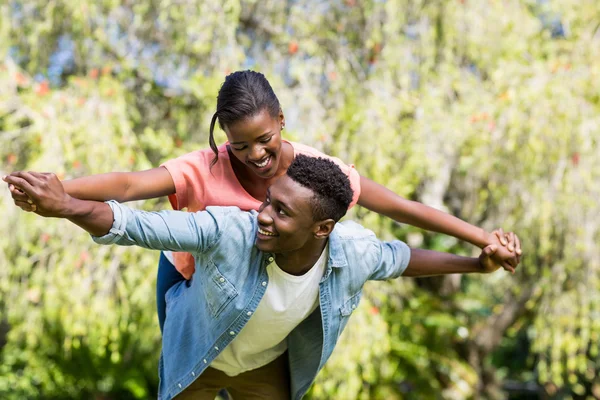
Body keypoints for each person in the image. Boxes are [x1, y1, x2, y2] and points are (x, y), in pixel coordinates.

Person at [7, 70, 521, 331]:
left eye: (264, 140)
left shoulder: (318, 173)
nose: (255, 155)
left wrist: (483, 241)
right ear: (224, 137)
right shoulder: (201, 167)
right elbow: (126, 186)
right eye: (239, 145)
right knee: (199, 364)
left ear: (280, 121)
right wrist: (59, 190)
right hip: (191, 276)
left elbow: (402, 209)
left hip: (273, 280)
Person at [4, 155, 516, 400]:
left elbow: (401, 257)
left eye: (282, 213)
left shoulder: (352, 251)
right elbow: (135, 222)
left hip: (266, 371)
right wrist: (67, 204)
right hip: (197, 359)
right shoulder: (231, 229)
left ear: (322, 227)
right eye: (269, 201)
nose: (264, 216)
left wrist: (477, 263)